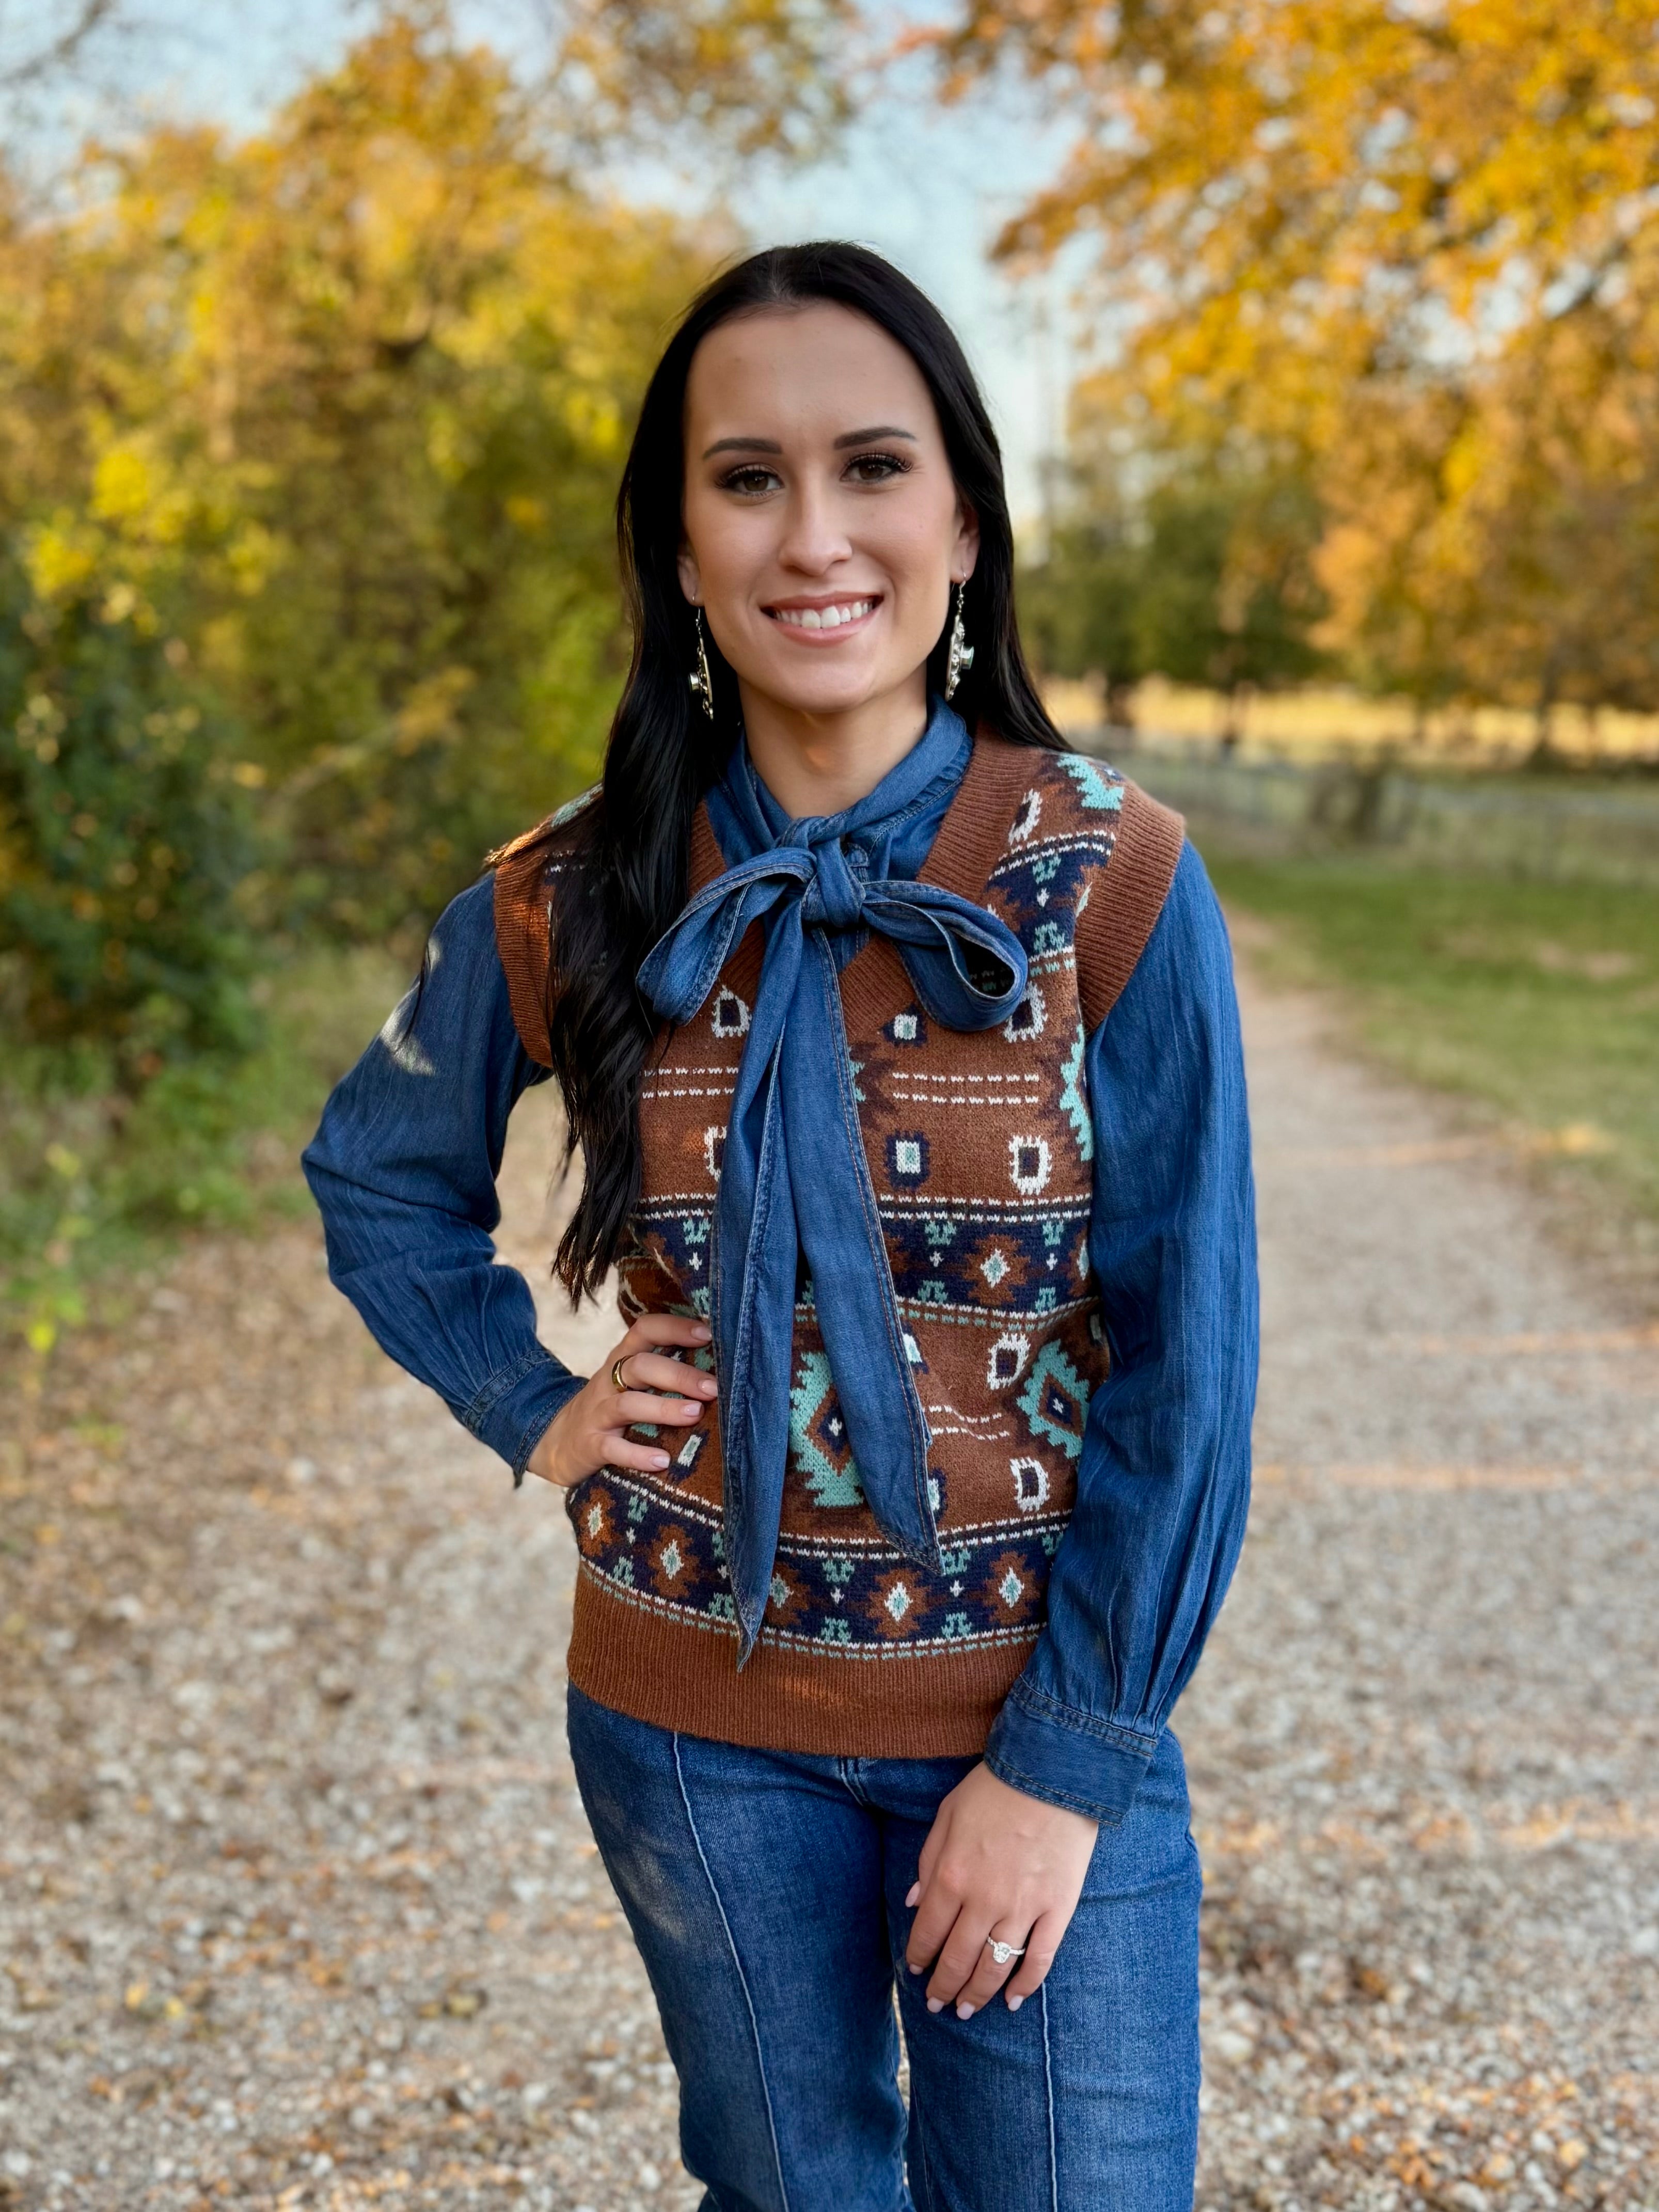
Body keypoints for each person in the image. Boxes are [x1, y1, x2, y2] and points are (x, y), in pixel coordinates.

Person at [303, 241, 1258, 2212]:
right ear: (675, 548)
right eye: (746, 479)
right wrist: (535, 1399)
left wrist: (1065, 1760)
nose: (811, 534)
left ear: (967, 521)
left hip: (1031, 1711)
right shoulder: (574, 884)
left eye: (871, 468)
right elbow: (378, 1173)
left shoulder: (1108, 879)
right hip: (689, 1731)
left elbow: (1195, 1361)